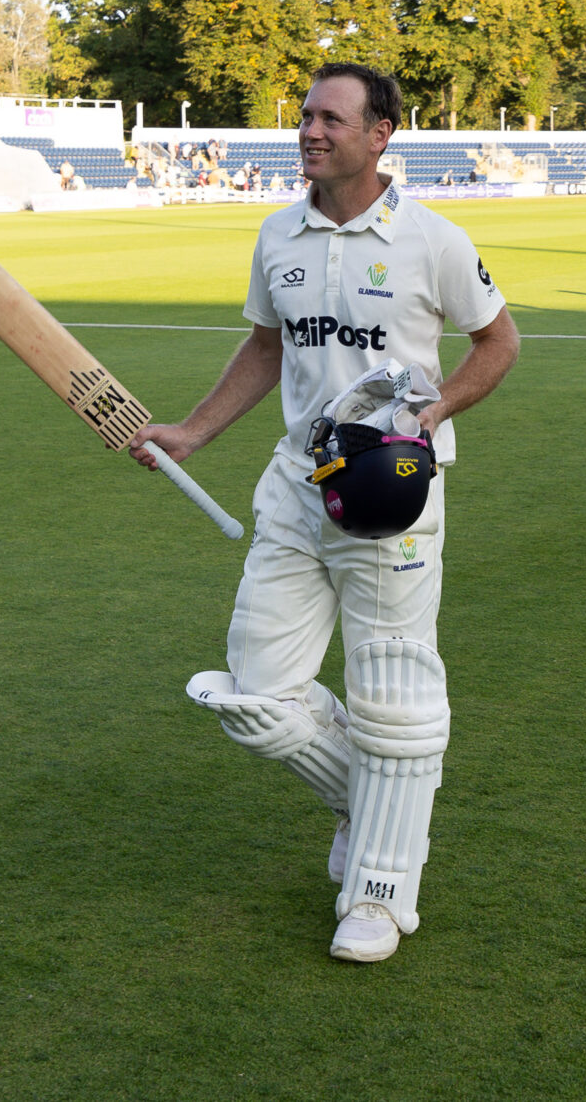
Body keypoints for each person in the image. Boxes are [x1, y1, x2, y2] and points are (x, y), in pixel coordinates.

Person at [127, 62, 520, 964]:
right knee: (257, 693)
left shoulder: (432, 239)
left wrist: (434, 411)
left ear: (381, 134)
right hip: (295, 486)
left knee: (394, 701)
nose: (310, 130)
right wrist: (192, 431)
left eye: (330, 119)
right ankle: (368, 800)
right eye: (304, 115)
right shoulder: (278, 235)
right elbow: (268, 347)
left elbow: (497, 342)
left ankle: (379, 896)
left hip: (391, 495)